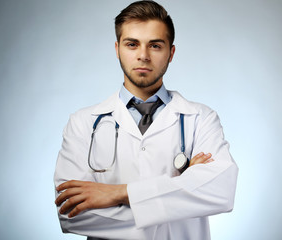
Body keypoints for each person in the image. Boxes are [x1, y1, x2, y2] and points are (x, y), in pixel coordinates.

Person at [54, 1, 238, 239]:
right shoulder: (82, 123)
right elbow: (72, 213)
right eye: (132, 44)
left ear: (171, 53)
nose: (143, 55)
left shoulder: (201, 118)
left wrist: (119, 193)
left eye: (155, 45)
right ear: (117, 48)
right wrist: (180, 194)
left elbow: (220, 191)